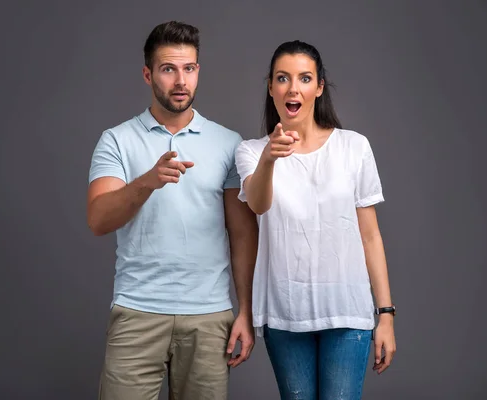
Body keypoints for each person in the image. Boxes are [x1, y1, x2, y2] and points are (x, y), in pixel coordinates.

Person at [87, 21, 258, 400]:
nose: (181, 81)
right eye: (168, 69)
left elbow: (242, 233)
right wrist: (147, 181)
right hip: (136, 311)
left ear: (198, 71)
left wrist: (245, 312)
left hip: (209, 315)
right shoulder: (117, 140)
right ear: (148, 74)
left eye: (189, 68)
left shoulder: (228, 143)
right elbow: (98, 219)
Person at [234, 40, 397, 399]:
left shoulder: (353, 147)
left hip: (347, 314)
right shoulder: (251, 152)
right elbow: (259, 205)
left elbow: (370, 236)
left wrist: (385, 314)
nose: (293, 88)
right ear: (271, 87)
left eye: (304, 78)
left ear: (319, 87)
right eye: (283, 78)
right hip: (284, 314)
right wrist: (270, 160)